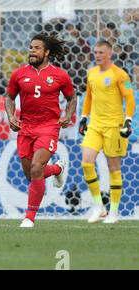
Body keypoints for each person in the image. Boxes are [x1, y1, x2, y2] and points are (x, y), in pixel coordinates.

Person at [5, 32, 77, 228]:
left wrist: (68, 116)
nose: (32, 51)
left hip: (48, 127)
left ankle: (29, 217)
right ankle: (57, 169)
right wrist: (11, 117)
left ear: (46, 52)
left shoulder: (60, 75)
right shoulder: (19, 74)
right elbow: (10, 98)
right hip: (26, 127)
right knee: (30, 175)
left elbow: (72, 97)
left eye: (36, 48)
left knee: (37, 168)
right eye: (30, 47)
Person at [79, 40, 135, 224]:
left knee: (114, 168)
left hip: (114, 126)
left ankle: (114, 212)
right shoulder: (92, 73)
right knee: (87, 163)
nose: (97, 55)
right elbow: (88, 96)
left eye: (101, 52)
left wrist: (128, 121)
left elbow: (129, 98)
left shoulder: (120, 74)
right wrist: (84, 117)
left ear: (109, 54)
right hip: (95, 125)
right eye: (95, 52)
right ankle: (98, 206)